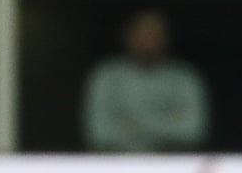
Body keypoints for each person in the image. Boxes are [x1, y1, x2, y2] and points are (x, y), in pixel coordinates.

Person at [81, 9, 210, 152]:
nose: (148, 41)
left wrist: (129, 123)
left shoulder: (185, 78)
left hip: (171, 166)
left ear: (166, 38)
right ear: (128, 36)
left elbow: (192, 131)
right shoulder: (106, 76)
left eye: (155, 35)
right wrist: (169, 120)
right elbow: (99, 132)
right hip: (116, 166)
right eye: (142, 34)